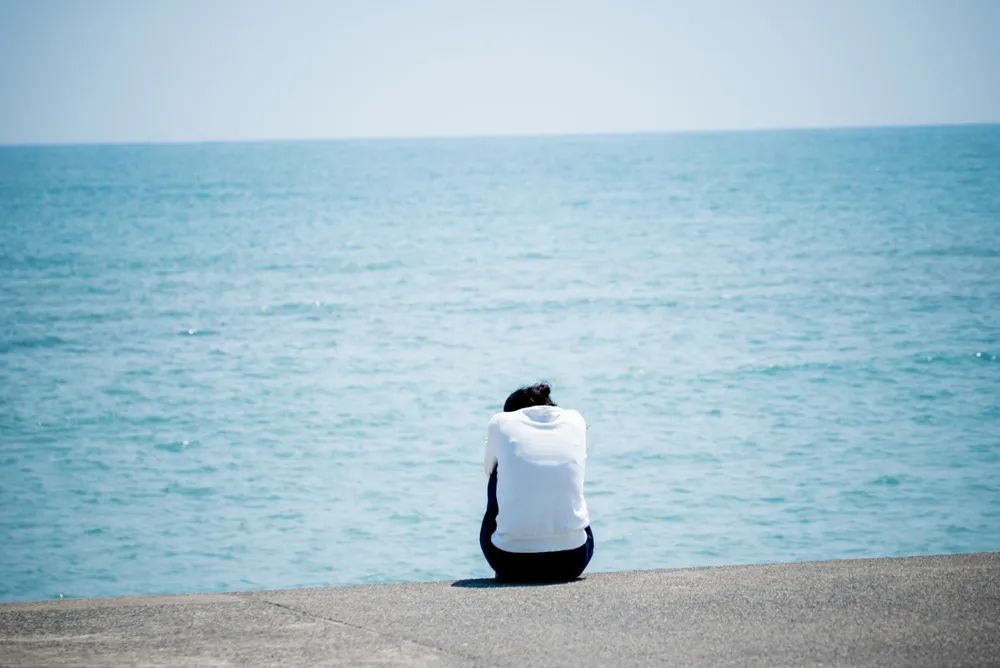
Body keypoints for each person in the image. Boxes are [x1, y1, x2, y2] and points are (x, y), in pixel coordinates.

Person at [480, 383, 594, 582]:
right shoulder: (575, 420)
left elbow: (488, 471)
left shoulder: (500, 422)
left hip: (508, 562)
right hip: (574, 559)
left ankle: (509, 542)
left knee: (499, 471)